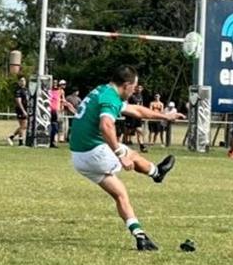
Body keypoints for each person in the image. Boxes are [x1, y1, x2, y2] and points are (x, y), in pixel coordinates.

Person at [68, 65, 187, 251]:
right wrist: (119, 153)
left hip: (78, 157)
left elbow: (136, 110)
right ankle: (157, 173)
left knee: (121, 194)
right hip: (94, 151)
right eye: (134, 87)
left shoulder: (103, 90)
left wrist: (164, 116)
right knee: (130, 153)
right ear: (126, 85)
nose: (135, 91)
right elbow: (106, 125)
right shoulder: (110, 98)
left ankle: (140, 236)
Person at [124, 85, 148, 152]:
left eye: (140, 88)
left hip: (137, 116)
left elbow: (141, 105)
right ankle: (125, 144)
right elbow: (126, 102)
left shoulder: (141, 96)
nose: (139, 89)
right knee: (127, 131)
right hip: (131, 115)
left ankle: (142, 146)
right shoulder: (131, 95)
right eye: (138, 88)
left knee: (139, 130)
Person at [7, 77, 29, 146]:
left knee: (24, 126)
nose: (23, 82)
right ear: (19, 82)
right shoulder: (18, 91)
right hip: (20, 110)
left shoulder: (26, 90)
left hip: (26, 109)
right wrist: (23, 111)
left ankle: (12, 137)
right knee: (23, 125)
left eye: (24, 80)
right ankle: (20, 141)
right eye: (21, 81)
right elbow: (18, 102)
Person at [48, 80, 65, 148]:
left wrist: (62, 107)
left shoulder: (60, 91)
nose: (55, 84)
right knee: (52, 126)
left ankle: (52, 141)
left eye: (56, 83)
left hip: (56, 111)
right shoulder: (49, 91)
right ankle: (51, 141)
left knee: (55, 127)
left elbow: (62, 100)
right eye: (53, 83)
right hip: (50, 110)